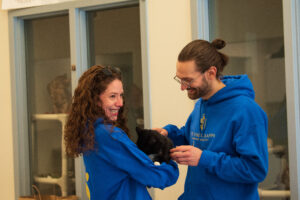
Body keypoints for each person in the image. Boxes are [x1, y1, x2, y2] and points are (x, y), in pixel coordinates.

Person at [155, 39, 268, 200]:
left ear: (211, 73)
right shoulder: (201, 104)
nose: (182, 87)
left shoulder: (246, 111)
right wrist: (167, 134)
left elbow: (255, 169)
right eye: (180, 79)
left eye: (188, 80)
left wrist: (203, 158)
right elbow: (190, 139)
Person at [64, 65, 179, 200]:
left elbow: (122, 171)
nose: (120, 103)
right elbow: (156, 178)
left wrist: (141, 159)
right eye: (112, 96)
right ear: (95, 99)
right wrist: (170, 160)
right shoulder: (110, 135)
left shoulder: (89, 130)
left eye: (121, 95)